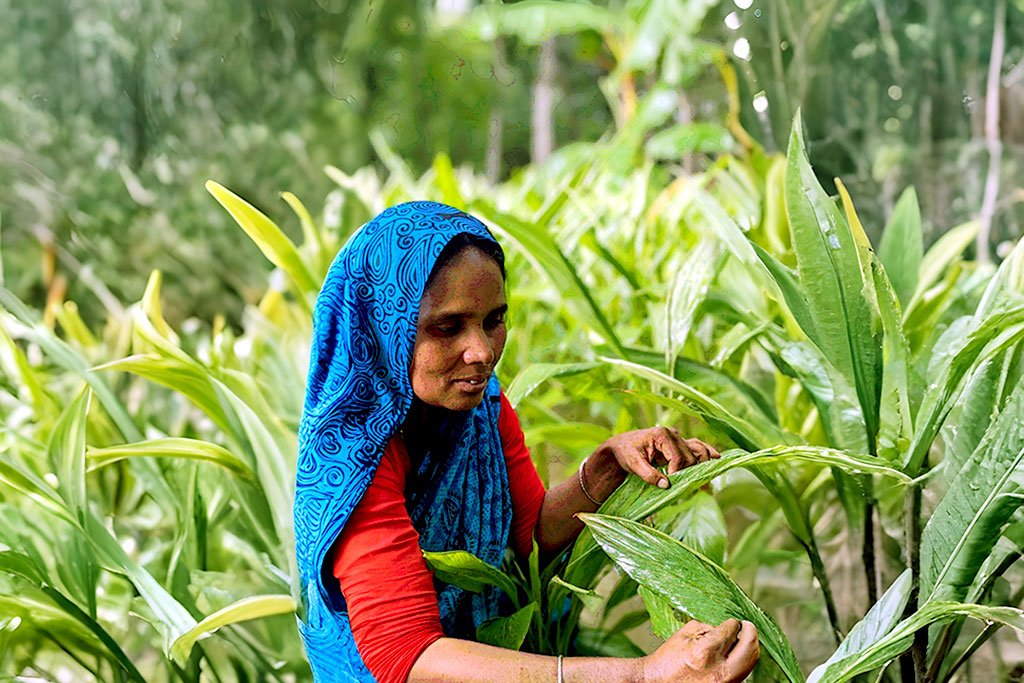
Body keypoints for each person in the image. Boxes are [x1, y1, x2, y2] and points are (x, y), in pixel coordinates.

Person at [294, 201, 760, 683]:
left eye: (493, 320)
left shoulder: (480, 407)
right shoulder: (351, 455)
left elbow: (528, 534)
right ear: (382, 326)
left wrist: (607, 468)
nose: (482, 353)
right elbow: (406, 657)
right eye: (448, 327)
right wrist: (641, 676)